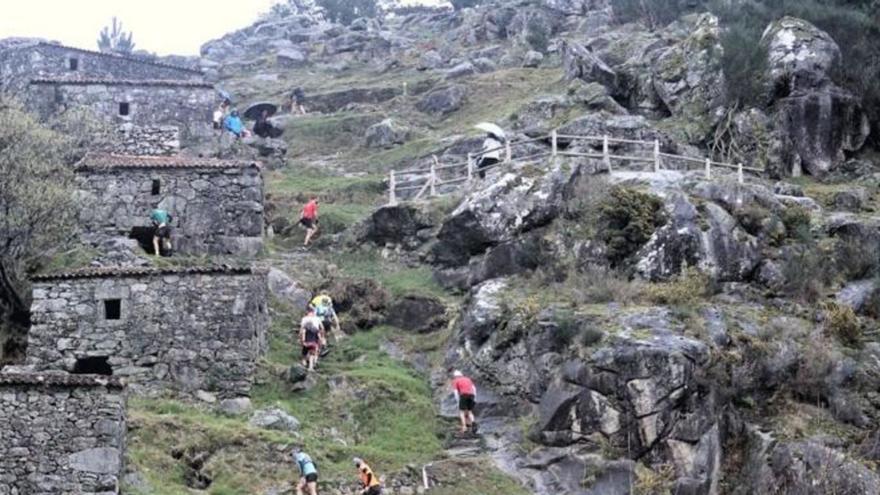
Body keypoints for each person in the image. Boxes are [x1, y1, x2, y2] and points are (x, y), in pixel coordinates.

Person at [299, 307, 325, 371]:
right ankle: (312, 365)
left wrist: (302, 340)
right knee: (313, 353)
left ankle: (304, 363)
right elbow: (322, 328)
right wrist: (322, 339)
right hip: (314, 340)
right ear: (313, 312)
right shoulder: (317, 319)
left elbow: (302, 331)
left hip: (307, 341)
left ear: (307, 312)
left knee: (304, 354)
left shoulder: (304, 319)